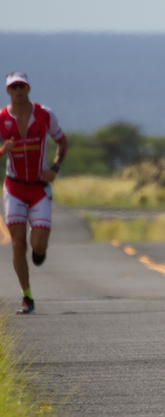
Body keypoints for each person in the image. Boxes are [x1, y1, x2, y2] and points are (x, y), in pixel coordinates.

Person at [0, 72, 69, 314]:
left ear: (28, 89)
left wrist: (54, 168)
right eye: (13, 87)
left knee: (37, 245)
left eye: (22, 86)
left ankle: (40, 252)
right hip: (14, 187)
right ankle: (27, 296)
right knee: (18, 245)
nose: (18, 91)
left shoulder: (44, 115)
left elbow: (63, 143)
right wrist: (3, 149)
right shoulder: (1, 118)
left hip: (38, 188)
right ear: (8, 91)